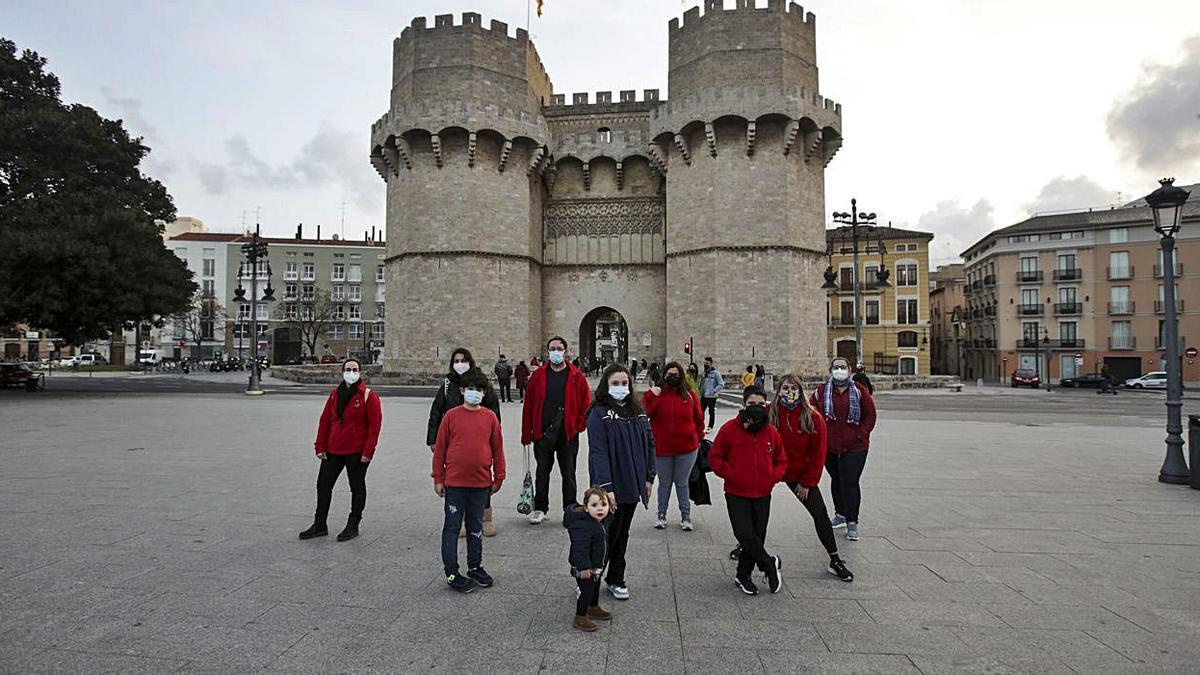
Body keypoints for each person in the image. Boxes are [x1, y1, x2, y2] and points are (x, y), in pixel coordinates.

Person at [771, 374, 853, 582]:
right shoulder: (770, 413)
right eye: (785, 388)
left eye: (793, 388)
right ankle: (745, 546)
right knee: (755, 508)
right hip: (772, 470)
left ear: (800, 390)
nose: (789, 392)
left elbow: (818, 454)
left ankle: (835, 559)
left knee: (820, 514)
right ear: (778, 390)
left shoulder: (812, 417)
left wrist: (807, 483)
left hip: (799, 474)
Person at [432, 370, 506, 593]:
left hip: (481, 483)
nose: (474, 393)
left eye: (479, 390)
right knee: (452, 528)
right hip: (455, 483)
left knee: (476, 527)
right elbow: (441, 449)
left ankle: (475, 566)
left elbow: (497, 448)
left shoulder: (490, 417)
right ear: (462, 391)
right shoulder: (451, 416)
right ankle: (452, 572)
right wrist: (438, 477)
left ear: (484, 393)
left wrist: (499, 475)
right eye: (470, 389)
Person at [710, 385, 787, 595]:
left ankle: (743, 575)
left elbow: (781, 460)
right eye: (752, 404)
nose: (757, 407)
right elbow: (715, 457)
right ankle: (769, 564)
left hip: (762, 492)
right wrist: (731, 473)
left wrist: (773, 476)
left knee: (757, 536)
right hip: (736, 492)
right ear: (744, 404)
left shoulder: (771, 432)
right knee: (744, 533)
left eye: (761, 404)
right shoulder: (729, 429)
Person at [587, 363, 655, 601]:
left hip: (632, 484)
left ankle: (615, 577)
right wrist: (607, 489)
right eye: (615, 383)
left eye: (624, 383)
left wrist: (649, 477)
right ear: (606, 385)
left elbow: (649, 443)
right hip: (610, 486)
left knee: (622, 532)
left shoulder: (637, 411)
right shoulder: (598, 413)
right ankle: (588, 578)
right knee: (605, 535)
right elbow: (598, 452)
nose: (620, 387)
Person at [301, 359, 382, 542]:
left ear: (360, 372)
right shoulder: (335, 394)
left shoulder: (369, 396)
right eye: (347, 369)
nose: (351, 372)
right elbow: (325, 421)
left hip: (356, 452)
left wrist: (368, 452)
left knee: (356, 487)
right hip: (332, 450)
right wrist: (320, 446)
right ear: (342, 372)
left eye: (354, 369)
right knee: (323, 485)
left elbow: (374, 427)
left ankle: (353, 524)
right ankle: (320, 524)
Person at [427, 348, 502, 537]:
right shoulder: (447, 384)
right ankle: (459, 519)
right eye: (456, 361)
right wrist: (433, 439)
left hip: (479, 437)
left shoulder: (479, 382)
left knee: (481, 480)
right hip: (454, 438)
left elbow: (493, 408)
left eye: (463, 360)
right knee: (456, 481)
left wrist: (493, 434)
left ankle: (486, 518)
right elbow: (436, 412)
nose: (460, 364)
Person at [521, 336, 592, 524]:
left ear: (565, 351)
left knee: (568, 473)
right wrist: (526, 433)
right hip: (542, 434)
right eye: (552, 348)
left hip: (567, 434)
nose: (556, 352)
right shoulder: (538, 376)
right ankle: (540, 508)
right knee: (542, 472)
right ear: (547, 351)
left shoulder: (577, 375)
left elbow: (586, 404)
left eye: (559, 348)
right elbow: (528, 405)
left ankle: (569, 508)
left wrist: (579, 426)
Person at [810, 356, 877, 542]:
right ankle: (840, 513)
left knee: (849, 481)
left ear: (849, 369)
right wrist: (819, 430)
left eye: (843, 367)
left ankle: (852, 521)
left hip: (855, 446)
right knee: (836, 479)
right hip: (829, 445)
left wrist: (860, 434)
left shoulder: (860, 391)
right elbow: (811, 409)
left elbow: (870, 416)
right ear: (831, 369)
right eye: (836, 367)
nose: (839, 370)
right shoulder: (822, 391)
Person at [643, 361, 704, 531]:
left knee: (682, 482)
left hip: (687, 448)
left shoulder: (689, 396)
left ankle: (686, 516)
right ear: (663, 376)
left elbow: (699, 419)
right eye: (669, 374)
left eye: (676, 375)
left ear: (681, 377)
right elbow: (645, 413)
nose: (672, 377)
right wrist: (650, 395)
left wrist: (698, 438)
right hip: (662, 448)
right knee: (664, 483)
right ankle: (661, 515)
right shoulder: (658, 394)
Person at [563, 487, 614, 632]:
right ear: (586, 508)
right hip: (584, 567)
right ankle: (580, 616)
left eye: (603, 505)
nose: (600, 509)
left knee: (594, 587)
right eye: (594, 505)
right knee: (586, 591)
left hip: (595, 565)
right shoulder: (583, 525)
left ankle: (593, 607)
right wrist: (584, 567)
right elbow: (580, 548)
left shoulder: (599, 521)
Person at [699, 357, 725, 433]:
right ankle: (701, 426)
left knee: (711, 411)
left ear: (711, 364)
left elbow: (721, 384)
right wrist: (700, 391)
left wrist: (713, 391)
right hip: (704, 395)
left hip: (712, 396)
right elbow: (702, 384)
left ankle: (710, 426)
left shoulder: (716, 373)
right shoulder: (703, 373)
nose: (705, 365)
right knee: (701, 412)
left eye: (707, 363)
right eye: (704, 363)